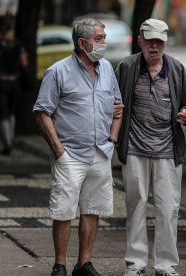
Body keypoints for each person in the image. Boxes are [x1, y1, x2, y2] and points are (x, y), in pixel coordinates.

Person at [33, 18, 123, 276]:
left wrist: (113, 141)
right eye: (99, 38)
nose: (104, 43)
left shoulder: (107, 68)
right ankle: (59, 264)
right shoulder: (57, 71)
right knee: (63, 210)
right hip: (70, 153)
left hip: (101, 151)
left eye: (104, 38)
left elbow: (118, 109)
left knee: (93, 208)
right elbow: (41, 112)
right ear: (82, 43)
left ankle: (83, 264)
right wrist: (59, 151)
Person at [114, 19, 186, 276]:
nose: (154, 46)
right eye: (149, 40)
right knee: (135, 206)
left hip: (168, 152)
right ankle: (136, 265)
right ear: (139, 40)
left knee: (168, 208)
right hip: (135, 149)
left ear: (164, 42)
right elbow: (110, 101)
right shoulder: (126, 68)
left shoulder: (176, 68)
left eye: (159, 42)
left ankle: (165, 266)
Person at [0, 15, 28, 155]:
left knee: (2, 114)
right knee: (11, 112)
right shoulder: (18, 44)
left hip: (0, 81)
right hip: (14, 81)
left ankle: (7, 144)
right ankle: (10, 138)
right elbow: (24, 63)